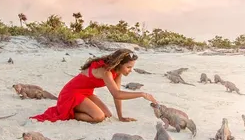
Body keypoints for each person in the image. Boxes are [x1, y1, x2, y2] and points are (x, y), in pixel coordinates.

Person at [30, 48, 158, 124]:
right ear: (119, 64)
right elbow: (116, 94)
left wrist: (120, 117)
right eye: (128, 67)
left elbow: (117, 94)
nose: (130, 70)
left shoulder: (117, 72)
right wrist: (142, 94)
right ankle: (70, 112)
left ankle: (75, 109)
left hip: (86, 93)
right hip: (71, 93)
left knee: (107, 114)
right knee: (98, 117)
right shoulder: (105, 70)